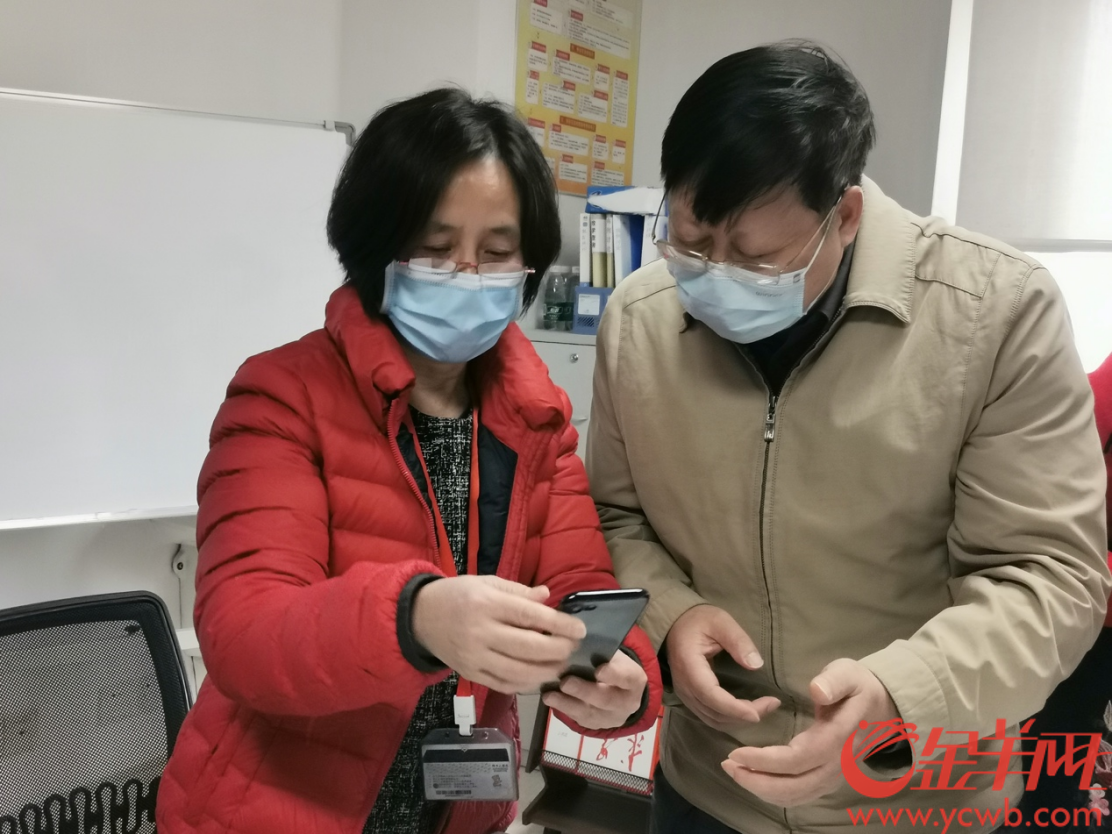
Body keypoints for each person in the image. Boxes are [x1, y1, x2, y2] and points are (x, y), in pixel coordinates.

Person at [587, 41, 1109, 834]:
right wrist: (670, 617)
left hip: (917, 801)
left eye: (758, 258)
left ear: (847, 215)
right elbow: (615, 518)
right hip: (709, 789)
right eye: (691, 242)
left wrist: (903, 696)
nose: (714, 274)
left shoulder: (997, 313)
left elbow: (1050, 577)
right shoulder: (639, 321)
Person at [157, 88, 662, 834]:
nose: (467, 272)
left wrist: (626, 680)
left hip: (455, 812)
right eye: (433, 247)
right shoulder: (282, 395)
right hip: (274, 811)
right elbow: (245, 632)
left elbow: (581, 587)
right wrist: (416, 619)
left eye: (497, 253)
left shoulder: (536, 418)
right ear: (375, 247)